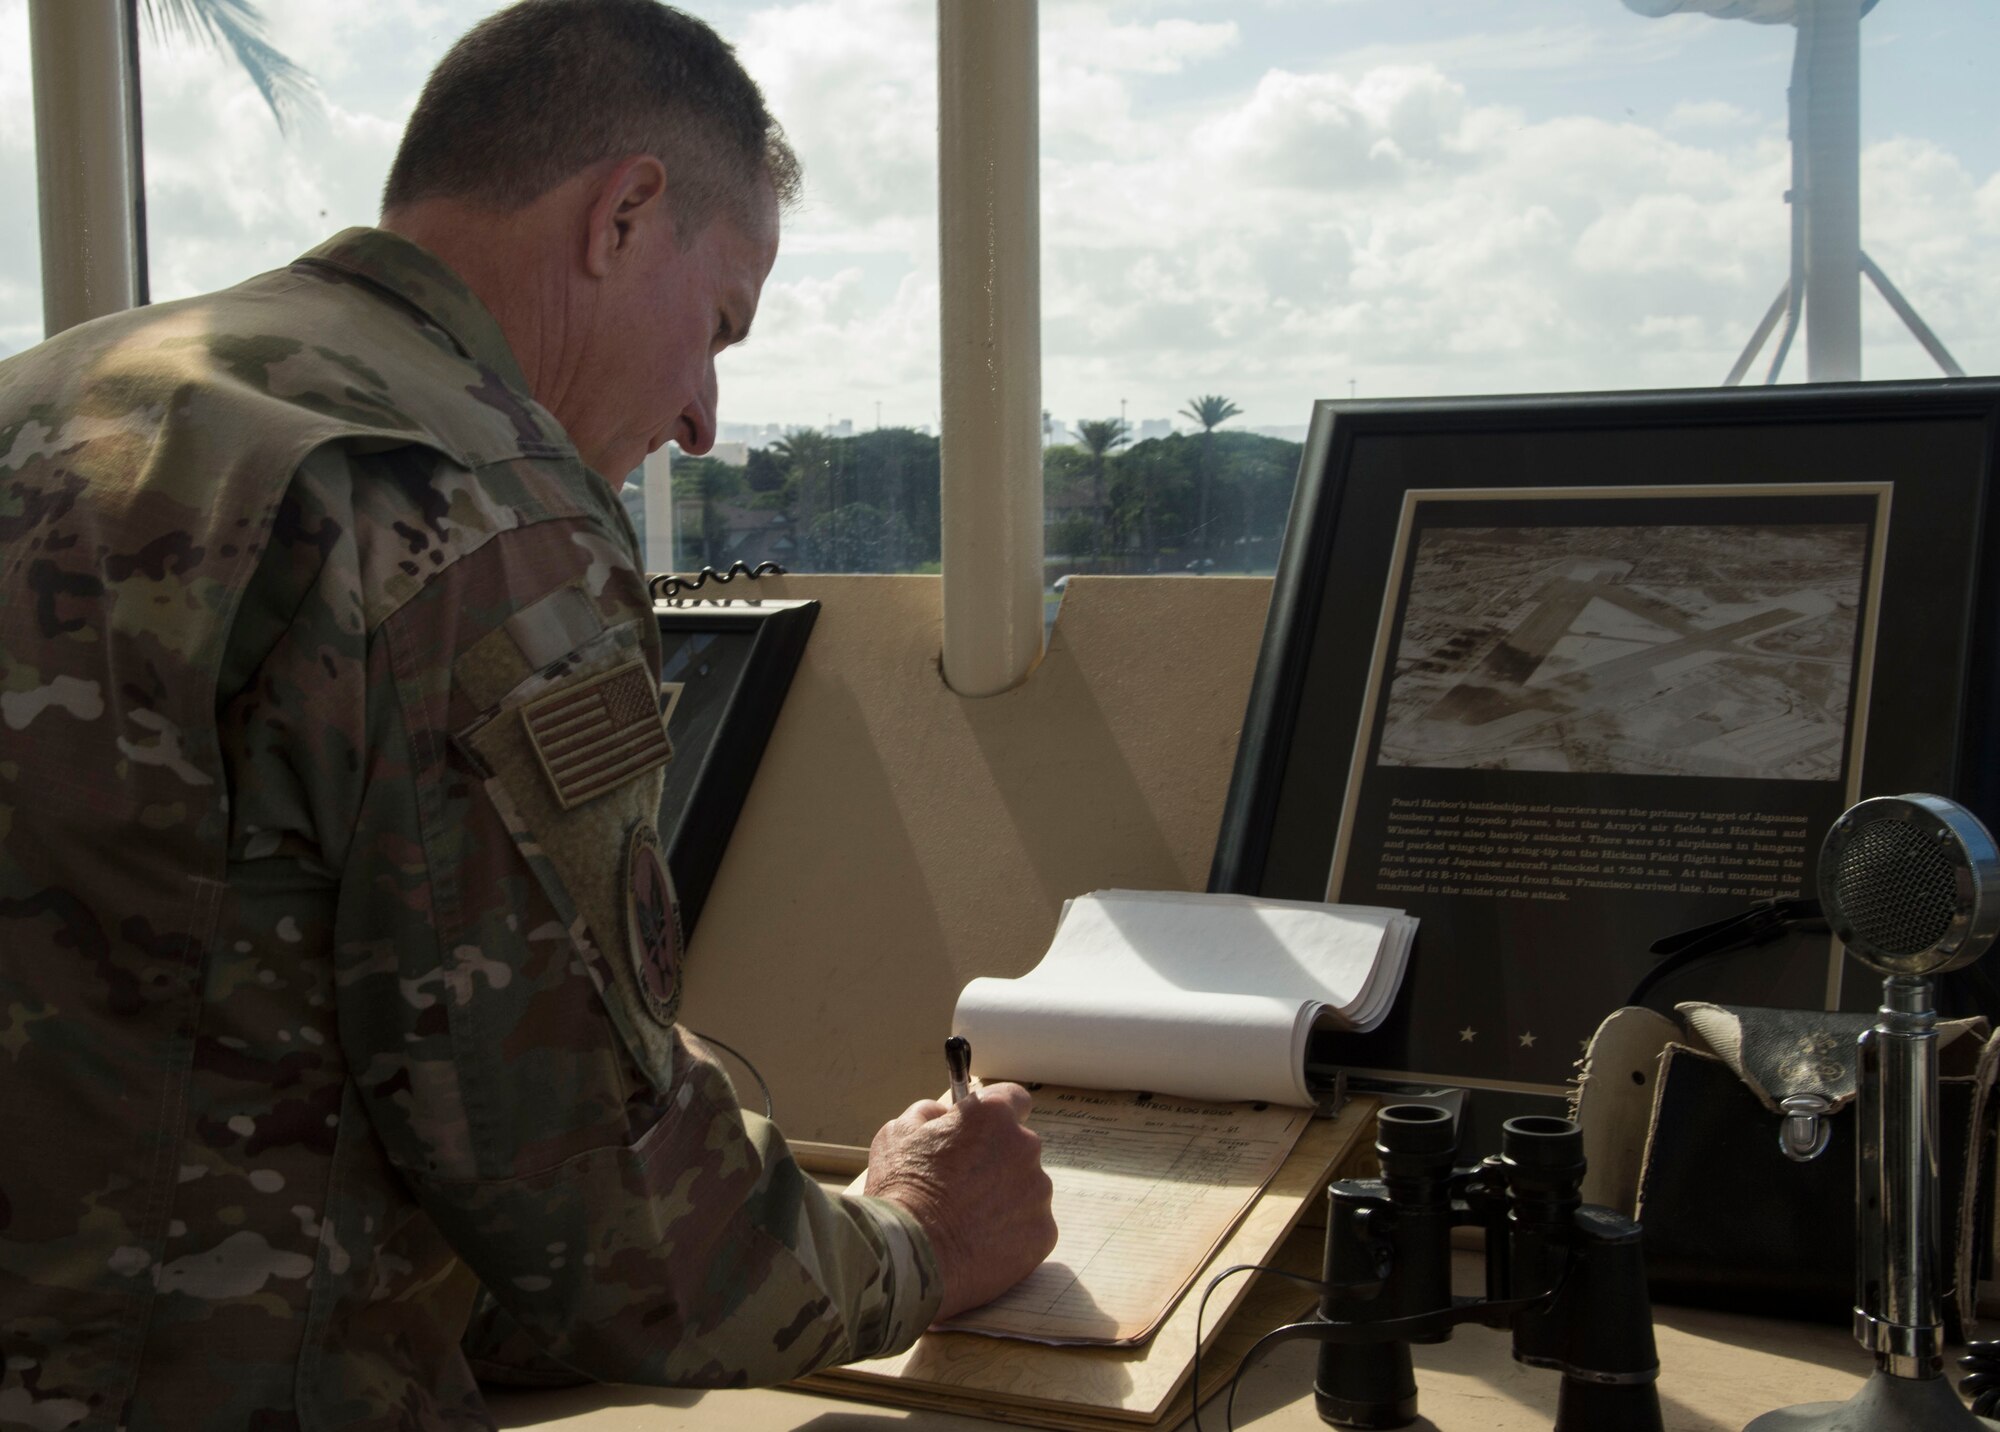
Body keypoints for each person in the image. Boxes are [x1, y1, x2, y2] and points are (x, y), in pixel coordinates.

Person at [0, 2, 1055, 1428]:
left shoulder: (44, 399)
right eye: (720, 328)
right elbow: (598, 1211)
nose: (700, 417)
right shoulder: (472, 509)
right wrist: (923, 1245)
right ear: (625, 213)